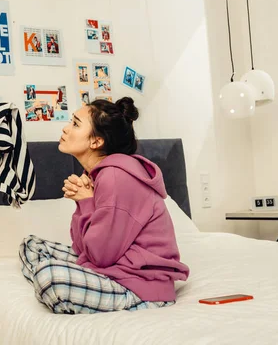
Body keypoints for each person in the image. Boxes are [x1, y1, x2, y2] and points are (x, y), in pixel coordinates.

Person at [20, 97, 189, 314]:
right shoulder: (96, 175)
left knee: (49, 276)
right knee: (31, 246)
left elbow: (100, 255)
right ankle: (85, 289)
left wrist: (85, 202)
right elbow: (84, 249)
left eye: (75, 124)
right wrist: (83, 205)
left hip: (142, 287)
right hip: (115, 268)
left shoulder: (115, 177)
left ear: (96, 141)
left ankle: (85, 293)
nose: (65, 128)